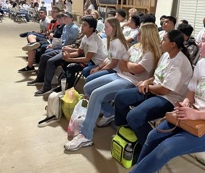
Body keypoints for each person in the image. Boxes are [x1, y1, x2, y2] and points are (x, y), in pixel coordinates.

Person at [131, 27, 205, 173]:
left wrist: (197, 114)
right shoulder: (202, 63)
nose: (199, 43)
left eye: (204, 40)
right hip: (191, 117)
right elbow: (192, 91)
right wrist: (187, 103)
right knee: (153, 136)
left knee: (167, 147)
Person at [64, 23, 162, 151]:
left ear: (148, 35)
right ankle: (109, 112)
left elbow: (137, 70)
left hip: (131, 81)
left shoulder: (150, 54)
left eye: (140, 34)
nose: (137, 35)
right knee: (88, 87)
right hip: (120, 75)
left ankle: (86, 135)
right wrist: (128, 65)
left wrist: (128, 65)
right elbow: (122, 64)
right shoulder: (135, 47)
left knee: (96, 94)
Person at [114, 30, 193, 145]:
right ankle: (127, 128)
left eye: (164, 39)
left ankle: (151, 145)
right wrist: (146, 81)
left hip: (169, 99)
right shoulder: (166, 55)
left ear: (173, 44)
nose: (160, 42)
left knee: (134, 116)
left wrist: (148, 86)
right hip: (154, 89)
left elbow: (164, 90)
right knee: (120, 97)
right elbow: (156, 77)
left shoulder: (179, 62)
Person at [62, 16, 107, 89]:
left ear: (91, 28)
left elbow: (86, 59)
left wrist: (69, 59)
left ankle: (69, 89)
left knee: (71, 67)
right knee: (63, 61)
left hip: (97, 63)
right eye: (82, 24)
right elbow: (79, 52)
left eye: (85, 25)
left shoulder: (94, 40)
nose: (82, 27)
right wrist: (67, 56)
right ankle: (65, 86)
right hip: (89, 61)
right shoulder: (85, 37)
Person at [86, 17, 129, 82]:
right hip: (111, 66)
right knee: (87, 71)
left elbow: (113, 63)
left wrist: (100, 70)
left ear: (114, 28)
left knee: (90, 77)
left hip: (116, 70)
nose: (104, 29)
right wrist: (98, 67)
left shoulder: (117, 42)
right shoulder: (111, 40)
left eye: (106, 27)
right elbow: (108, 58)